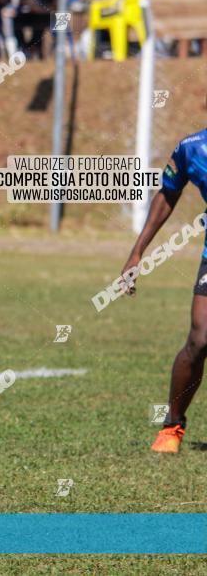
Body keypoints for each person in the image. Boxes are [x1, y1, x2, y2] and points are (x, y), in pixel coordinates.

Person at [123, 132, 207, 454]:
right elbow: (168, 193)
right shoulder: (192, 149)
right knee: (200, 340)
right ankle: (172, 426)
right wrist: (137, 252)